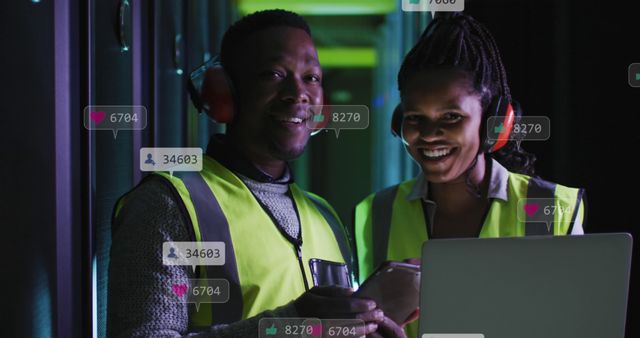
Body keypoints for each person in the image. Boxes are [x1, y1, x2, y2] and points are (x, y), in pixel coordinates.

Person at [107, 9, 406, 338]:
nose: (298, 92)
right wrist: (287, 325)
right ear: (223, 92)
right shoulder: (168, 204)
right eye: (274, 74)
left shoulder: (326, 218)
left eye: (312, 78)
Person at [354, 13, 586, 338]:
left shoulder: (553, 207)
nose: (430, 134)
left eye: (451, 116)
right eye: (415, 117)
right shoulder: (375, 212)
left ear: (494, 123)